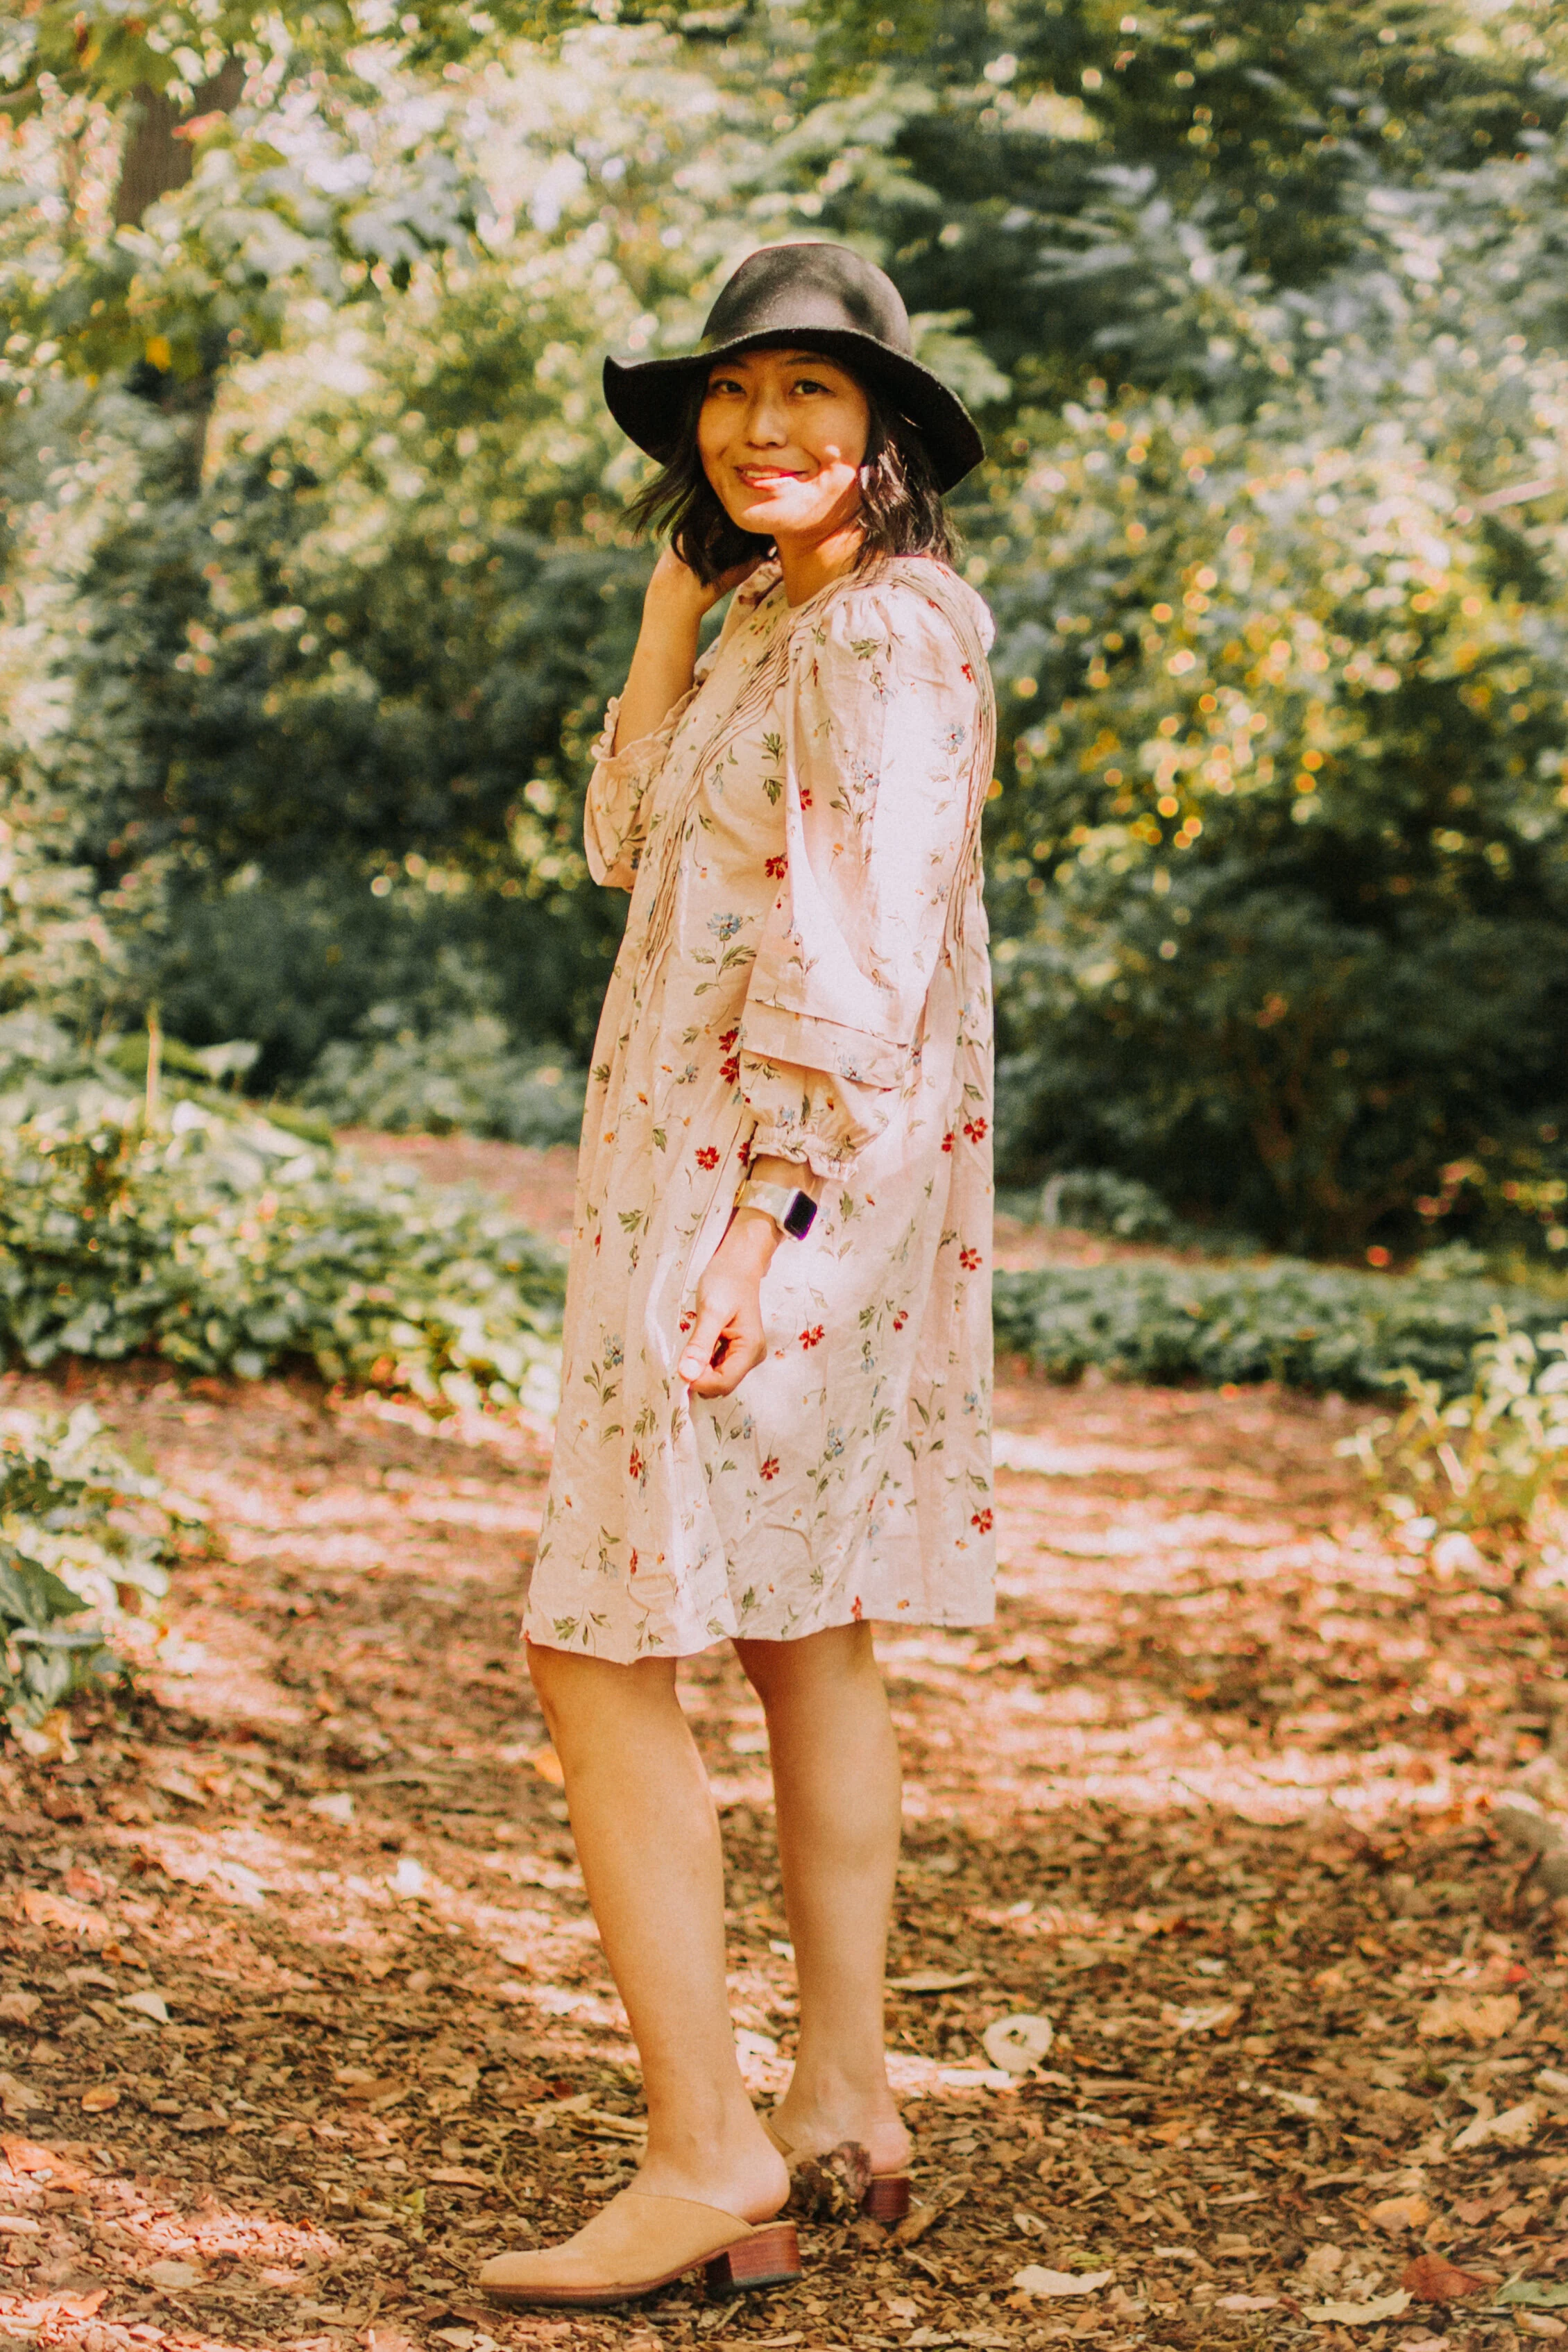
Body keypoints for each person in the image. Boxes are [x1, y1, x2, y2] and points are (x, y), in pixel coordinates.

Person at [479, 241, 997, 2312]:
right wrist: (673, 601)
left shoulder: (886, 639)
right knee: (801, 1626)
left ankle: (700, 2147)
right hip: (747, 1173)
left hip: (764, 1180)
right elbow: (623, 831)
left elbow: (861, 939)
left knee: (594, 1644)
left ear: (884, 433)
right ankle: (840, 2097)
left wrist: (765, 1215)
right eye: (731, 396)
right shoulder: (785, 622)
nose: (763, 428)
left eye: (809, 394)